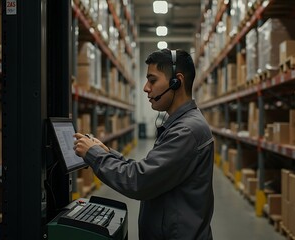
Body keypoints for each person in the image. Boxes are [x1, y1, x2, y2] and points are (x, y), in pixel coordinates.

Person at [74, 48, 214, 240]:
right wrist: (108, 153)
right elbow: (152, 171)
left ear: (177, 81)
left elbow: (139, 182)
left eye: (153, 80)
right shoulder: (183, 124)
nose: (146, 87)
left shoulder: (186, 131)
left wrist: (94, 155)